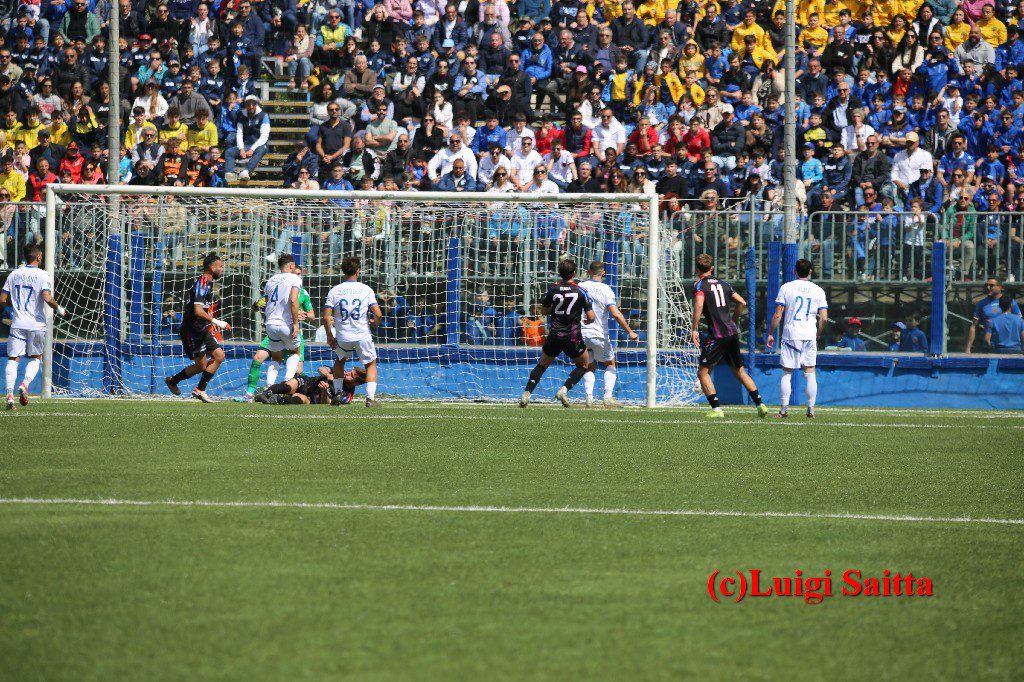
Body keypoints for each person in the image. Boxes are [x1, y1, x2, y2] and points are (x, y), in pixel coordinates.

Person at [690, 253, 769, 419]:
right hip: (732, 333)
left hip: (717, 335)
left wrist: (694, 328)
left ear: (697, 269)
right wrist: (734, 319)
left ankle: (716, 409)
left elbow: (698, 304)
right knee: (739, 371)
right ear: (712, 268)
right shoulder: (724, 284)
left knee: (703, 373)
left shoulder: (699, 285)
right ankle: (760, 404)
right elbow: (742, 302)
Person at [519, 259, 596, 408]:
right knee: (584, 365)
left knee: (542, 364)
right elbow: (591, 316)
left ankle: (527, 393)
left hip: (554, 335)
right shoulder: (581, 291)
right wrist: (587, 320)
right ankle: (564, 390)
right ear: (574, 273)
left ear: (560, 273)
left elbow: (544, 311)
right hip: (572, 337)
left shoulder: (553, 289)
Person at [0, 244, 66, 410]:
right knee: (35, 357)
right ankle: (25, 384)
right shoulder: (43, 275)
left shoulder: (14, 274)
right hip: (36, 324)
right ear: (38, 257)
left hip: (18, 323)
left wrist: (8, 312)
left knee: (13, 359)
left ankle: (9, 395)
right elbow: (47, 298)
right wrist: (60, 309)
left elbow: (2, 299)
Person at [765, 258, 829, 418]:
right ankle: (811, 409)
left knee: (787, 372)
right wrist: (818, 333)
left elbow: (778, 314)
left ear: (795, 271)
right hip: (809, 334)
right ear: (810, 271)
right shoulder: (818, 290)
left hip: (791, 333)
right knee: (810, 372)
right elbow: (824, 318)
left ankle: (784, 410)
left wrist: (771, 333)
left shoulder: (786, 287)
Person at [164, 253, 231, 403]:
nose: (222, 269)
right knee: (200, 366)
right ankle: (173, 381)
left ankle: (200, 390)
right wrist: (218, 322)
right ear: (212, 268)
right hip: (191, 331)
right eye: (220, 267)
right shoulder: (202, 283)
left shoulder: (208, 283)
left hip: (201, 328)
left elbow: (204, 309)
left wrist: (210, 322)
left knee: (219, 355)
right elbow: (197, 311)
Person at [322, 256, 383, 407]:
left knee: (340, 361)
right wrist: (376, 322)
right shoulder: (365, 289)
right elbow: (379, 313)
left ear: (343, 272)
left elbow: (325, 317)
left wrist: (330, 336)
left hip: (343, 334)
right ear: (357, 271)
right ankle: (369, 398)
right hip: (362, 334)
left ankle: (337, 394)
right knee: (370, 364)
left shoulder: (335, 291)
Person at [578, 260, 638, 408]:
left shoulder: (580, 287)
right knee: (610, 363)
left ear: (588, 271)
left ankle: (589, 397)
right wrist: (629, 331)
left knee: (589, 365)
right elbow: (615, 313)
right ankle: (607, 397)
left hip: (580, 333)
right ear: (603, 273)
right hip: (598, 333)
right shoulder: (606, 289)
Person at [967, 278, 1022, 352]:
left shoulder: (1010, 302)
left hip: (1010, 347)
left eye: (991, 285)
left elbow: (1021, 324)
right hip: (989, 346)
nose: (988, 287)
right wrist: (968, 348)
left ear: (1000, 287)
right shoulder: (981, 304)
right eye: (986, 285)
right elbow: (973, 326)